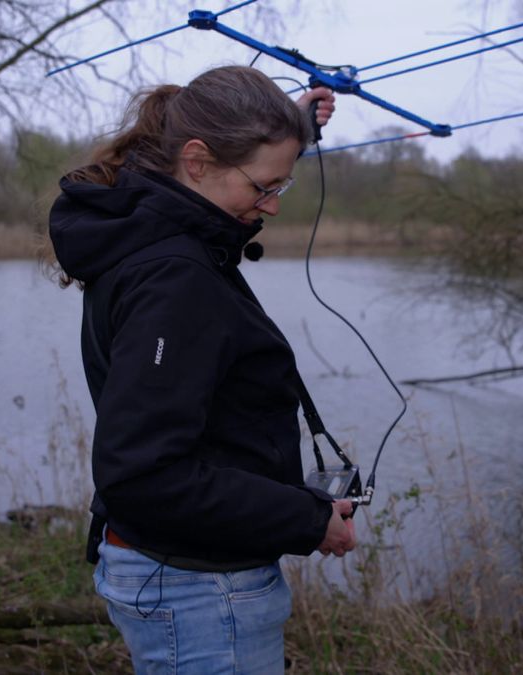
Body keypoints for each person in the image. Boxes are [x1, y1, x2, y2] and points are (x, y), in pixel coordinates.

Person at [49, 65, 357, 673]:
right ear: (195, 161)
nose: (271, 205)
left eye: (282, 186)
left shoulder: (151, 228)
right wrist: (307, 519)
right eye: (264, 186)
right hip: (198, 591)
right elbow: (144, 475)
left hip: (179, 572)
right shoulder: (175, 279)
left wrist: (292, 125)